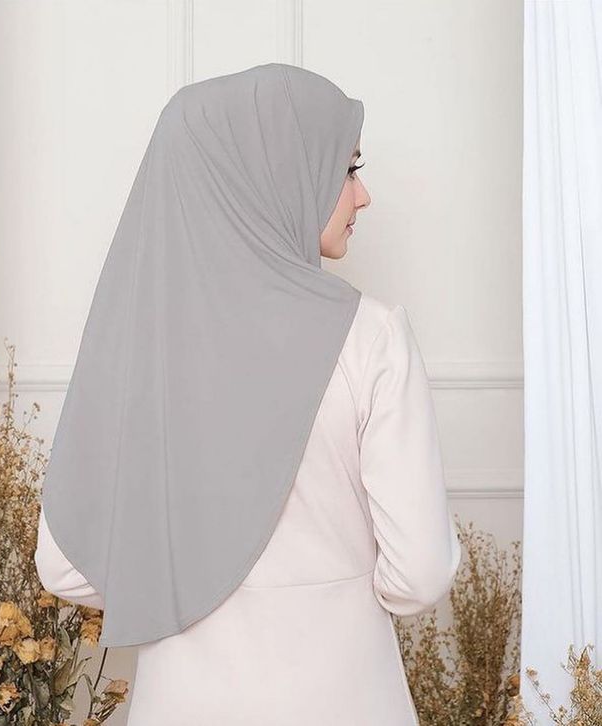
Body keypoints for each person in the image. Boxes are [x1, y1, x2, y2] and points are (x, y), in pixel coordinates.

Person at [35, 62, 461, 725]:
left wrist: (182, 580)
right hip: (344, 699)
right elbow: (420, 576)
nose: (364, 195)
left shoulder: (145, 346)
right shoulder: (372, 339)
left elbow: (65, 568)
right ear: (278, 171)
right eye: (347, 169)